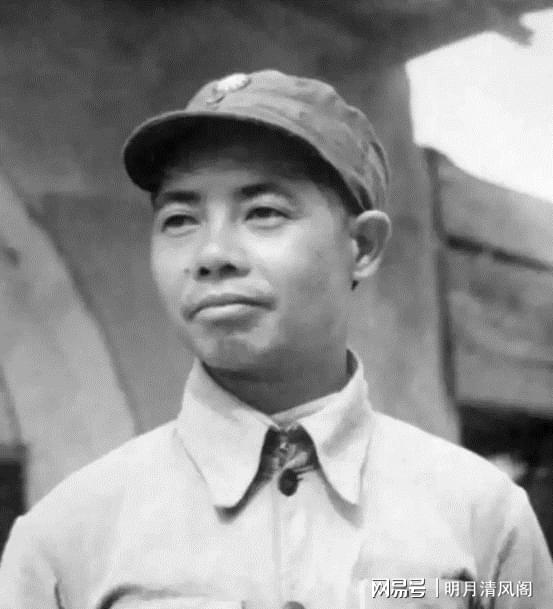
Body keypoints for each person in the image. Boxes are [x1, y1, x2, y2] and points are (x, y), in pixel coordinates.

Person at [0, 70, 551, 609]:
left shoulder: (484, 517)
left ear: (362, 246)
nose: (212, 254)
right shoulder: (63, 540)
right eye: (180, 219)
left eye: (263, 212)